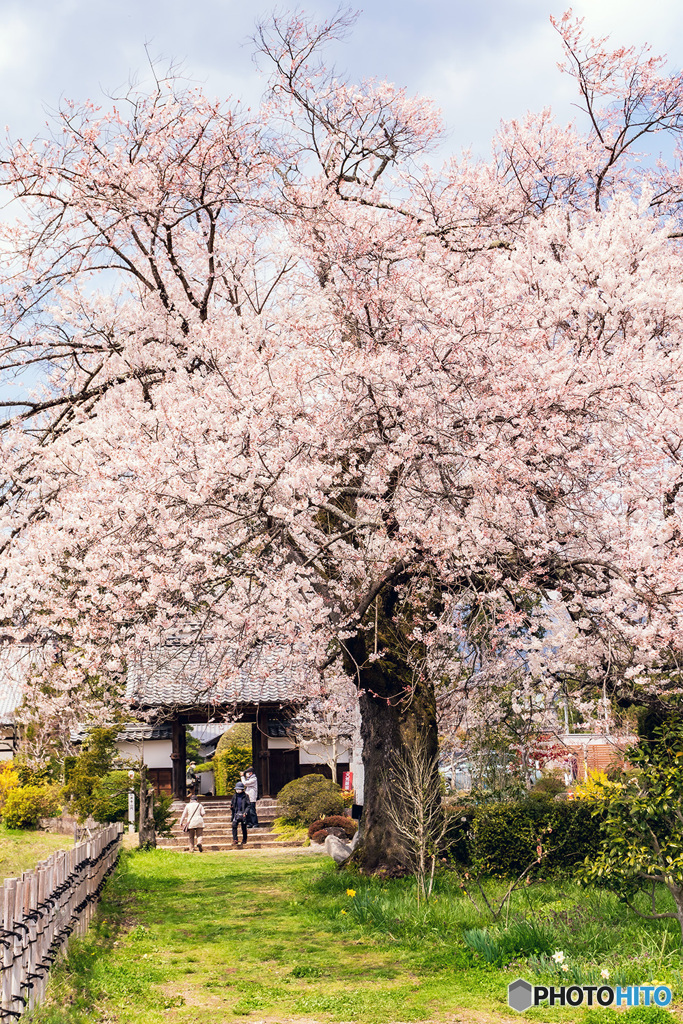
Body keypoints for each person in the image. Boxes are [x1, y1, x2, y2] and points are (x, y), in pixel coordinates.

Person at [231, 781, 251, 846]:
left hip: (243, 813)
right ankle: (235, 839)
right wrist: (232, 807)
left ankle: (244, 839)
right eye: (237, 789)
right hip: (236, 813)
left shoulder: (246, 796)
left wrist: (245, 812)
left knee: (243, 827)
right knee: (234, 826)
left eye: (239, 789)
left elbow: (248, 805)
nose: (238, 790)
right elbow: (232, 804)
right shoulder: (234, 796)